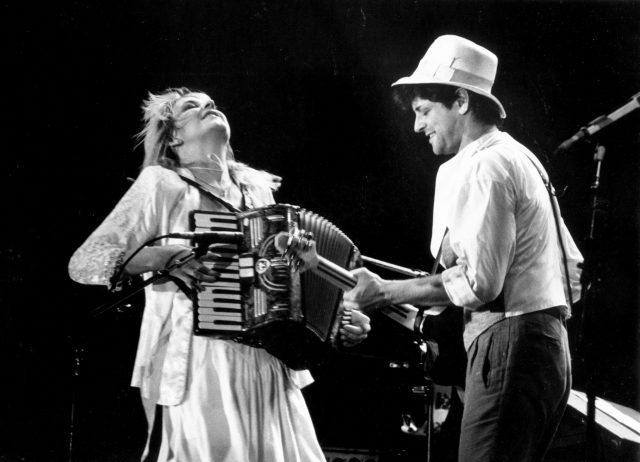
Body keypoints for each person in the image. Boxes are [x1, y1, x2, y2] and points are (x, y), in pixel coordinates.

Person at [68, 87, 371, 462]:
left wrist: (337, 317)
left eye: (210, 103)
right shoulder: (162, 183)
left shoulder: (257, 190)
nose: (209, 106)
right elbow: (87, 261)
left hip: (270, 360)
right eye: (191, 107)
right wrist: (167, 255)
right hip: (199, 362)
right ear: (173, 137)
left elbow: (283, 282)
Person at [343, 35, 583, 461]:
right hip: (547, 347)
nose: (417, 126)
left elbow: (479, 284)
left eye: (423, 110)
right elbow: (573, 272)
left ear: (461, 100)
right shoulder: (521, 158)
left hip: (510, 343)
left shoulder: (483, 165)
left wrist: (384, 292)